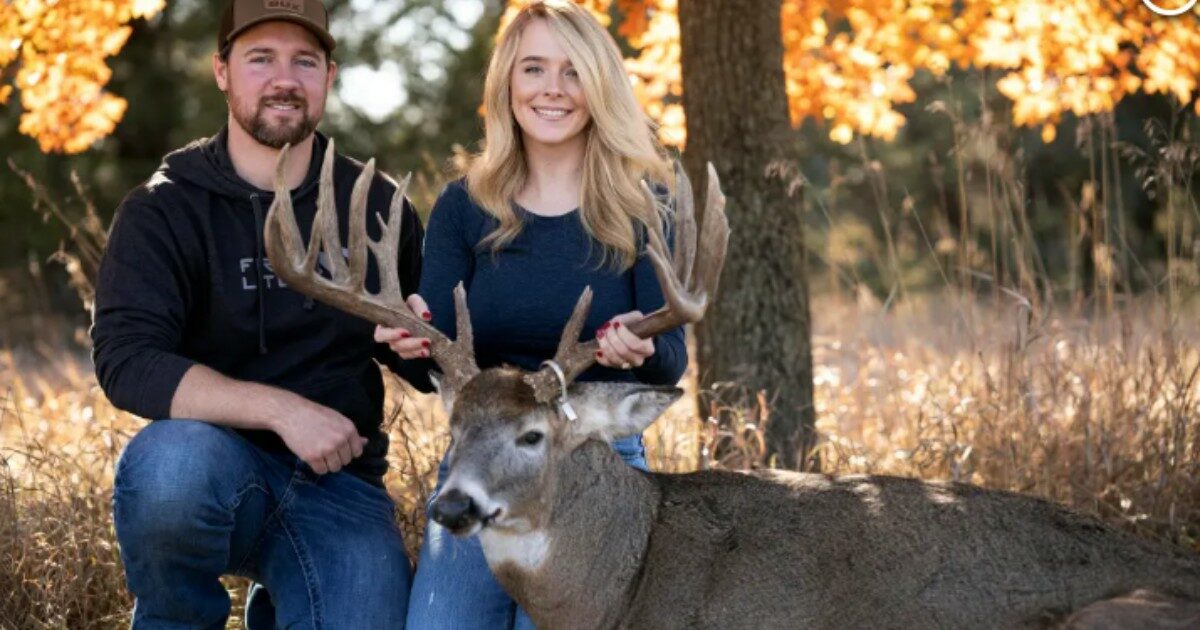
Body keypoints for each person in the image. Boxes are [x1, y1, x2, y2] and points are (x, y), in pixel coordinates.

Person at [91, 0, 424, 626]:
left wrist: (421, 342)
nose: (284, 79)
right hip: (210, 465)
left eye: (305, 60)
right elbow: (127, 361)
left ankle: (281, 605)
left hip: (339, 485)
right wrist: (282, 411)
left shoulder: (373, 202)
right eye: (260, 59)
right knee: (169, 470)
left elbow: (426, 358)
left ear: (330, 75)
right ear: (221, 71)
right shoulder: (164, 209)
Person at [374, 2, 687, 628]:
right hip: (482, 455)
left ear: (599, 85)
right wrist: (401, 340)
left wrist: (639, 347)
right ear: (506, 84)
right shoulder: (465, 204)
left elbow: (671, 358)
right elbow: (430, 358)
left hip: (597, 457)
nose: (552, 90)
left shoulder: (642, 202)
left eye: (573, 73)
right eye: (534, 69)